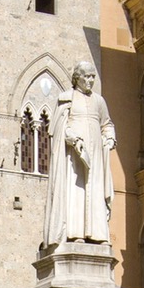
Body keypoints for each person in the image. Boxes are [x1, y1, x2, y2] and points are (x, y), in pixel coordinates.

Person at [42, 64, 114, 247]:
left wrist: (110, 138)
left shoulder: (99, 101)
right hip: (74, 156)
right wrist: (73, 139)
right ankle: (75, 233)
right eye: (86, 76)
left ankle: (97, 234)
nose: (90, 80)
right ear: (77, 78)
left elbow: (107, 124)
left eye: (92, 77)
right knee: (76, 192)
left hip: (96, 156)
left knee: (95, 190)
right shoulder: (67, 99)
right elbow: (59, 128)